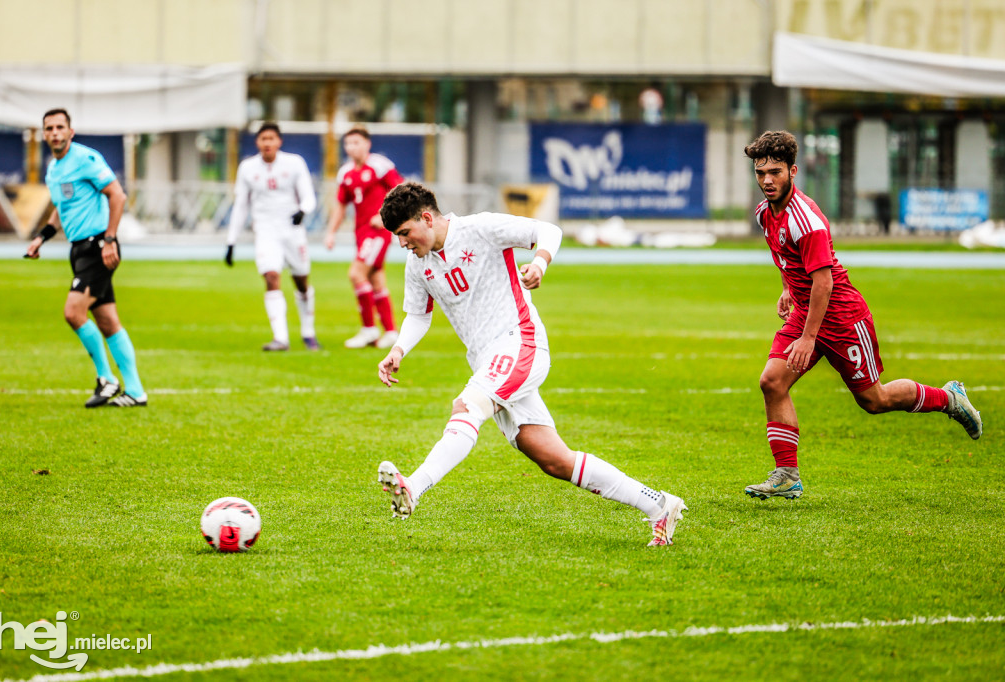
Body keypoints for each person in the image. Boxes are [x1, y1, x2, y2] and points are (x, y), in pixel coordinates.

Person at [373, 182, 687, 546]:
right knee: (552, 458)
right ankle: (659, 505)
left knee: (467, 407)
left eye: (405, 233)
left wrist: (540, 262)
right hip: (486, 360)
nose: (403, 243)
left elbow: (547, 230)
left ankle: (414, 486)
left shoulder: (480, 228)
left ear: (426, 218)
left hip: (518, 341)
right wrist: (398, 349)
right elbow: (418, 315)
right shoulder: (418, 263)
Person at [743, 130, 982, 500]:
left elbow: (823, 282)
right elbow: (787, 257)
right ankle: (787, 474)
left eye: (775, 172)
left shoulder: (807, 220)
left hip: (840, 316)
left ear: (793, 171)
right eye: (760, 173)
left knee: (874, 401)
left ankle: (949, 398)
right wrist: (789, 288)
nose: (767, 180)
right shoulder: (765, 213)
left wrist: (808, 337)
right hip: (807, 311)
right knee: (772, 382)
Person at [25, 108, 147, 407]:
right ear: (44, 134)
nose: (55, 132)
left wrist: (109, 239)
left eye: (60, 127)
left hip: (97, 247)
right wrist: (41, 237)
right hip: (78, 249)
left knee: (73, 312)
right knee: (107, 321)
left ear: (71, 131)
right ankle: (135, 391)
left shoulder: (85, 159)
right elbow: (61, 210)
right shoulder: (53, 169)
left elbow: (117, 195)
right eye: (49, 128)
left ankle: (107, 379)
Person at [226, 122, 319, 351]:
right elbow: (241, 205)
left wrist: (303, 211)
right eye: (263, 139)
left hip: (292, 229)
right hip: (265, 230)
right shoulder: (247, 168)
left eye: (271, 138)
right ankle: (281, 338)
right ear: (257, 142)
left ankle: (308, 332)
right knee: (270, 276)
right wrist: (231, 241)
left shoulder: (294, 163)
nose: (267, 143)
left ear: (279, 141)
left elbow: (308, 196)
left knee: (301, 281)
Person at [324, 127, 404, 349]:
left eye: (356, 142)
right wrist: (331, 232)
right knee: (376, 278)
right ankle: (390, 332)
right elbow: (340, 205)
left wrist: (384, 214)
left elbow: (400, 191)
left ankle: (369, 329)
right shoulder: (346, 173)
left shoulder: (380, 165)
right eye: (348, 143)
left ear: (367, 144)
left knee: (356, 273)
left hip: (377, 232)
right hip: (360, 233)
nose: (351, 147)